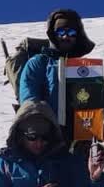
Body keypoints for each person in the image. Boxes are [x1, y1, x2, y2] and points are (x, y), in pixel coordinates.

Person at [18, 9, 95, 138]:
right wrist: (41, 130)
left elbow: (94, 103)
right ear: (54, 34)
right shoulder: (38, 63)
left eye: (71, 32)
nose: (66, 36)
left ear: (77, 36)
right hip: (47, 136)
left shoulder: (86, 68)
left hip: (80, 136)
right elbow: (30, 100)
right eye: (61, 31)